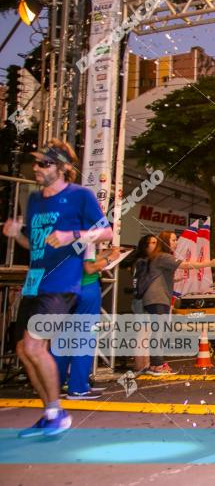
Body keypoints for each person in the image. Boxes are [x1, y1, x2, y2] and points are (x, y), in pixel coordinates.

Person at [3, 140, 113, 437]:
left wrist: (71, 236)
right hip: (34, 282)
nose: (36, 168)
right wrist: (16, 236)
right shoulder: (35, 200)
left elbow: (107, 230)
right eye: (36, 162)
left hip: (62, 284)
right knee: (23, 351)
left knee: (34, 345)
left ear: (64, 168)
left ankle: (58, 413)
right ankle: (51, 412)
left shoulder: (80, 196)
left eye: (44, 164)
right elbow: (34, 243)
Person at [143, 230, 215, 376]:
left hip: (156, 298)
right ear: (166, 242)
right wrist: (209, 263)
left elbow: (158, 277)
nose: (176, 242)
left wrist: (173, 280)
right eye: (173, 240)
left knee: (158, 331)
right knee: (159, 332)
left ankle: (156, 364)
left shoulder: (158, 257)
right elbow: (186, 265)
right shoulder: (164, 256)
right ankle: (157, 365)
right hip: (158, 298)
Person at [54, 243, 120, 399]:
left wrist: (103, 255)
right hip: (87, 286)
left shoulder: (69, 234)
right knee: (85, 338)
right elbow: (89, 268)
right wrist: (110, 259)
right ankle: (78, 387)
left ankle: (54, 383)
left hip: (67, 288)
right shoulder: (87, 236)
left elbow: (84, 261)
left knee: (64, 338)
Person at [129, 234, 157, 373]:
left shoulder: (149, 261)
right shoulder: (141, 262)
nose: (155, 245)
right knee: (142, 332)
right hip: (141, 300)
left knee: (147, 332)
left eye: (156, 242)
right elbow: (137, 282)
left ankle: (145, 364)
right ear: (145, 245)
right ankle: (140, 365)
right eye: (152, 242)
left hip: (145, 299)